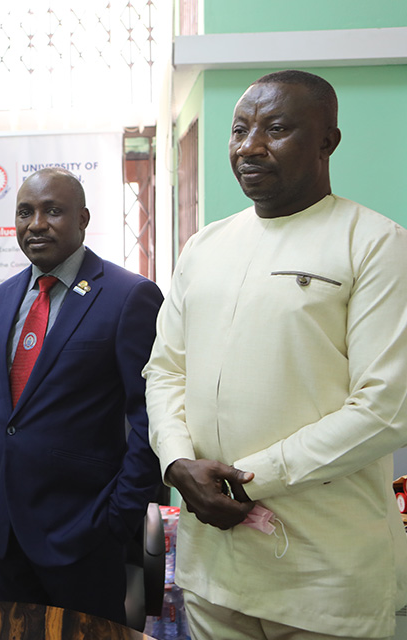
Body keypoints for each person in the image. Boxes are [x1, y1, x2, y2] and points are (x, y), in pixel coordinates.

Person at [144, 70, 407, 640]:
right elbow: (165, 371)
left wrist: (247, 481)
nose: (249, 146)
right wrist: (175, 462)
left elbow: (386, 409)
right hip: (212, 565)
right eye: (239, 130)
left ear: (327, 142)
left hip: (323, 572)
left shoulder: (374, 243)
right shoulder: (204, 246)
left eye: (276, 128)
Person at [0, 167, 163, 623]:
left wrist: (118, 519)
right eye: (25, 212)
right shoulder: (1, 297)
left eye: (53, 211)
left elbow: (151, 417)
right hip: (7, 534)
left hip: (85, 533)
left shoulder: (128, 296)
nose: (37, 224)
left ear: (83, 218)